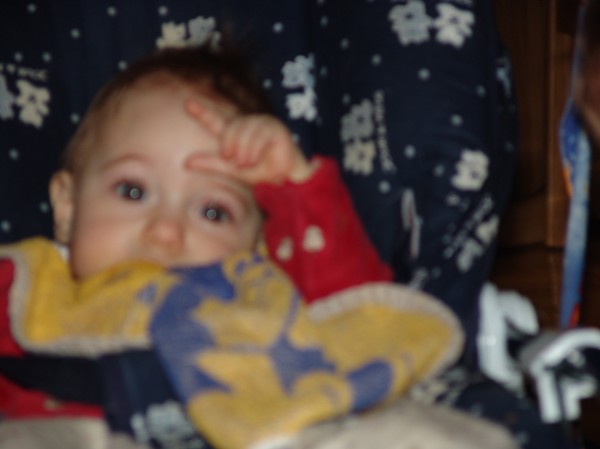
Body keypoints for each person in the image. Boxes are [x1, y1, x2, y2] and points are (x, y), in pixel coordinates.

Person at [0, 43, 424, 448]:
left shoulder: (258, 294)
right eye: (132, 191)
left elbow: (357, 315)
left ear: (256, 246)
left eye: (213, 212)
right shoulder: (27, 291)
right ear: (69, 208)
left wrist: (295, 190)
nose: (165, 232)